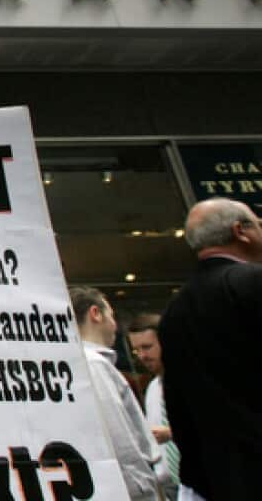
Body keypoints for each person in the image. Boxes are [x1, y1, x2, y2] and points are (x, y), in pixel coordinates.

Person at [159, 197, 262, 501]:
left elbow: (177, 403)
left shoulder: (174, 312)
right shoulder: (252, 284)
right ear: (240, 231)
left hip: (216, 476)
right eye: (258, 222)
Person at [70, 286, 160, 501]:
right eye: (111, 314)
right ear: (96, 313)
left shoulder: (85, 362)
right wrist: (143, 491)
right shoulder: (94, 365)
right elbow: (121, 443)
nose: (115, 325)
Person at [126, 314, 179, 499]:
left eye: (147, 347)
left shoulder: (195, 380)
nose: (142, 356)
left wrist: (171, 433)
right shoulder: (152, 390)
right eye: (136, 351)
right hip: (170, 485)